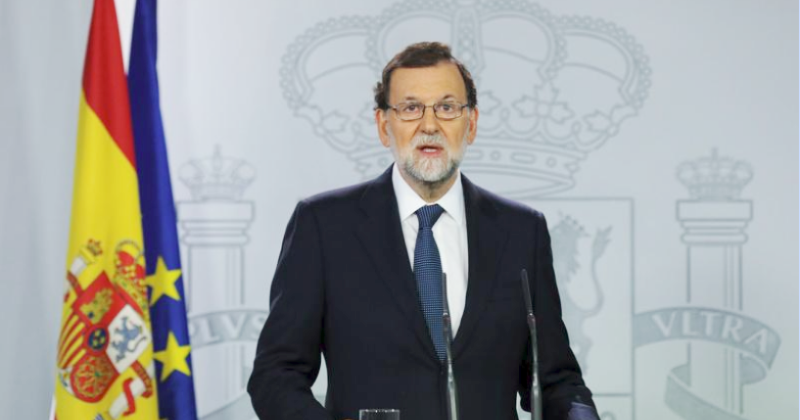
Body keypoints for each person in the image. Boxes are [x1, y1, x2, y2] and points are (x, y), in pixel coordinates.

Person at [248, 42, 598, 420]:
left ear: (471, 123)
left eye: (447, 108)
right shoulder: (324, 226)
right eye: (411, 108)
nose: (429, 126)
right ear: (384, 125)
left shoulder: (521, 231)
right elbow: (276, 375)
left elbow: (556, 381)